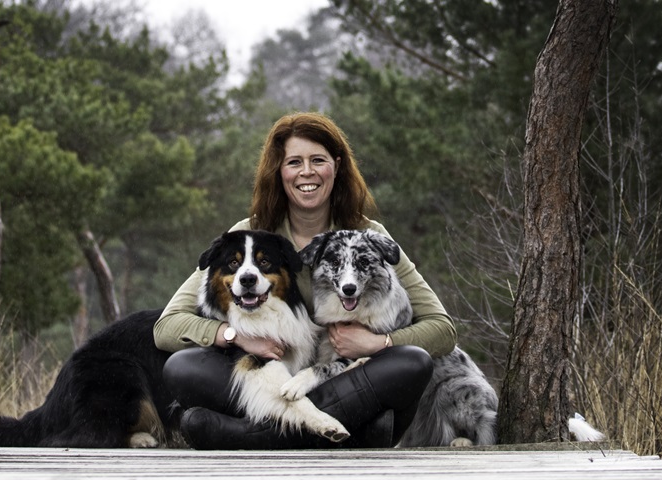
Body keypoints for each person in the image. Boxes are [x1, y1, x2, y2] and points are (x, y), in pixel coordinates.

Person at [153, 112, 457, 449]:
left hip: (346, 379)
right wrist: (234, 336)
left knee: (411, 362)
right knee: (182, 367)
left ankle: (251, 436)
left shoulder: (369, 236)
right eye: (294, 162)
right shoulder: (249, 236)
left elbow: (442, 329)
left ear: (337, 167)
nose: (306, 172)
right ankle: (337, 434)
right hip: (279, 384)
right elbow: (167, 326)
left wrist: (379, 344)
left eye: (318, 160)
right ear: (279, 172)